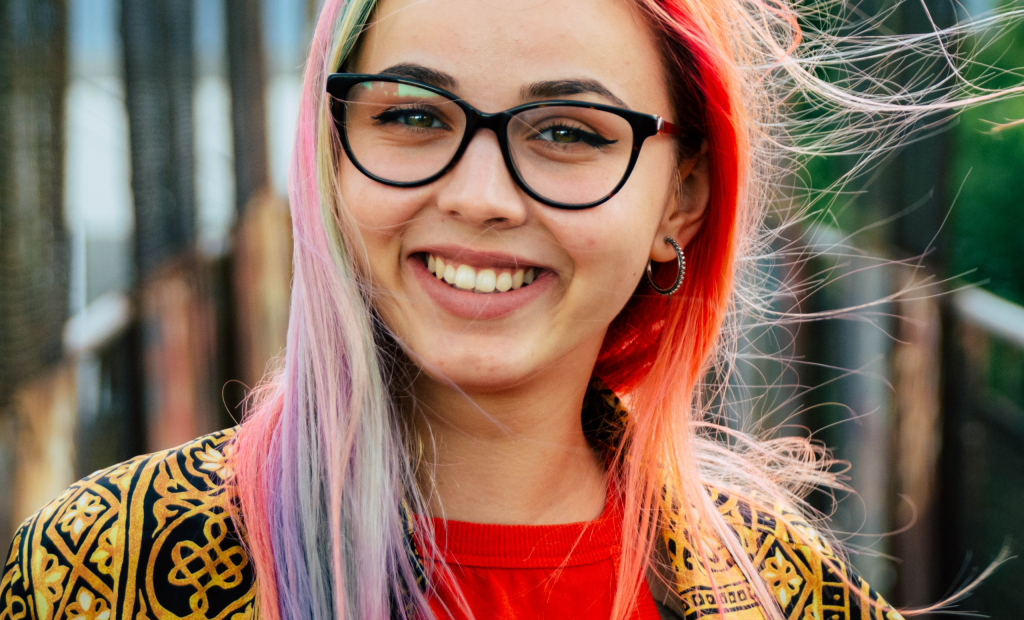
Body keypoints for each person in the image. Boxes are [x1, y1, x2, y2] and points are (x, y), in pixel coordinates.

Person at [3, 0, 1020, 618]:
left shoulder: (780, 586)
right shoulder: (101, 567)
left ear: (682, 198)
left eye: (569, 132)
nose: (482, 194)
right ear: (328, 152)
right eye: (411, 115)